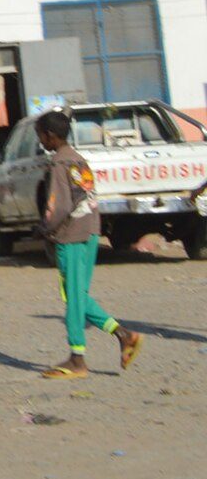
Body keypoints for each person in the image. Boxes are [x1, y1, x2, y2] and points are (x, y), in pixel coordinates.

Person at [35, 110, 144, 379]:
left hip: (70, 235)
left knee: (72, 298)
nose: (41, 142)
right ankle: (123, 335)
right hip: (90, 232)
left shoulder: (59, 164)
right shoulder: (78, 160)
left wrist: (44, 228)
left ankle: (77, 358)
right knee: (78, 296)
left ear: (49, 136)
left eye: (40, 136)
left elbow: (57, 206)